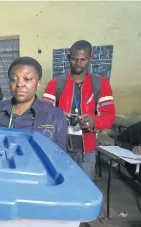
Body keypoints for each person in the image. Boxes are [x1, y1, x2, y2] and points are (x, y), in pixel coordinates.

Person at [42, 40, 116, 180]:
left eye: (83, 59)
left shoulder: (100, 84)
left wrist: (94, 121)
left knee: (84, 190)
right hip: (60, 149)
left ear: (90, 58)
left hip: (86, 151)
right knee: (62, 188)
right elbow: (44, 111)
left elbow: (109, 115)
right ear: (69, 58)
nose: (78, 63)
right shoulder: (56, 83)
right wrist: (58, 115)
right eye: (74, 59)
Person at [0, 57, 67, 150]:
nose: (19, 84)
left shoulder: (55, 117)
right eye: (14, 79)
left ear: (38, 83)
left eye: (27, 79)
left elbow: (59, 158)